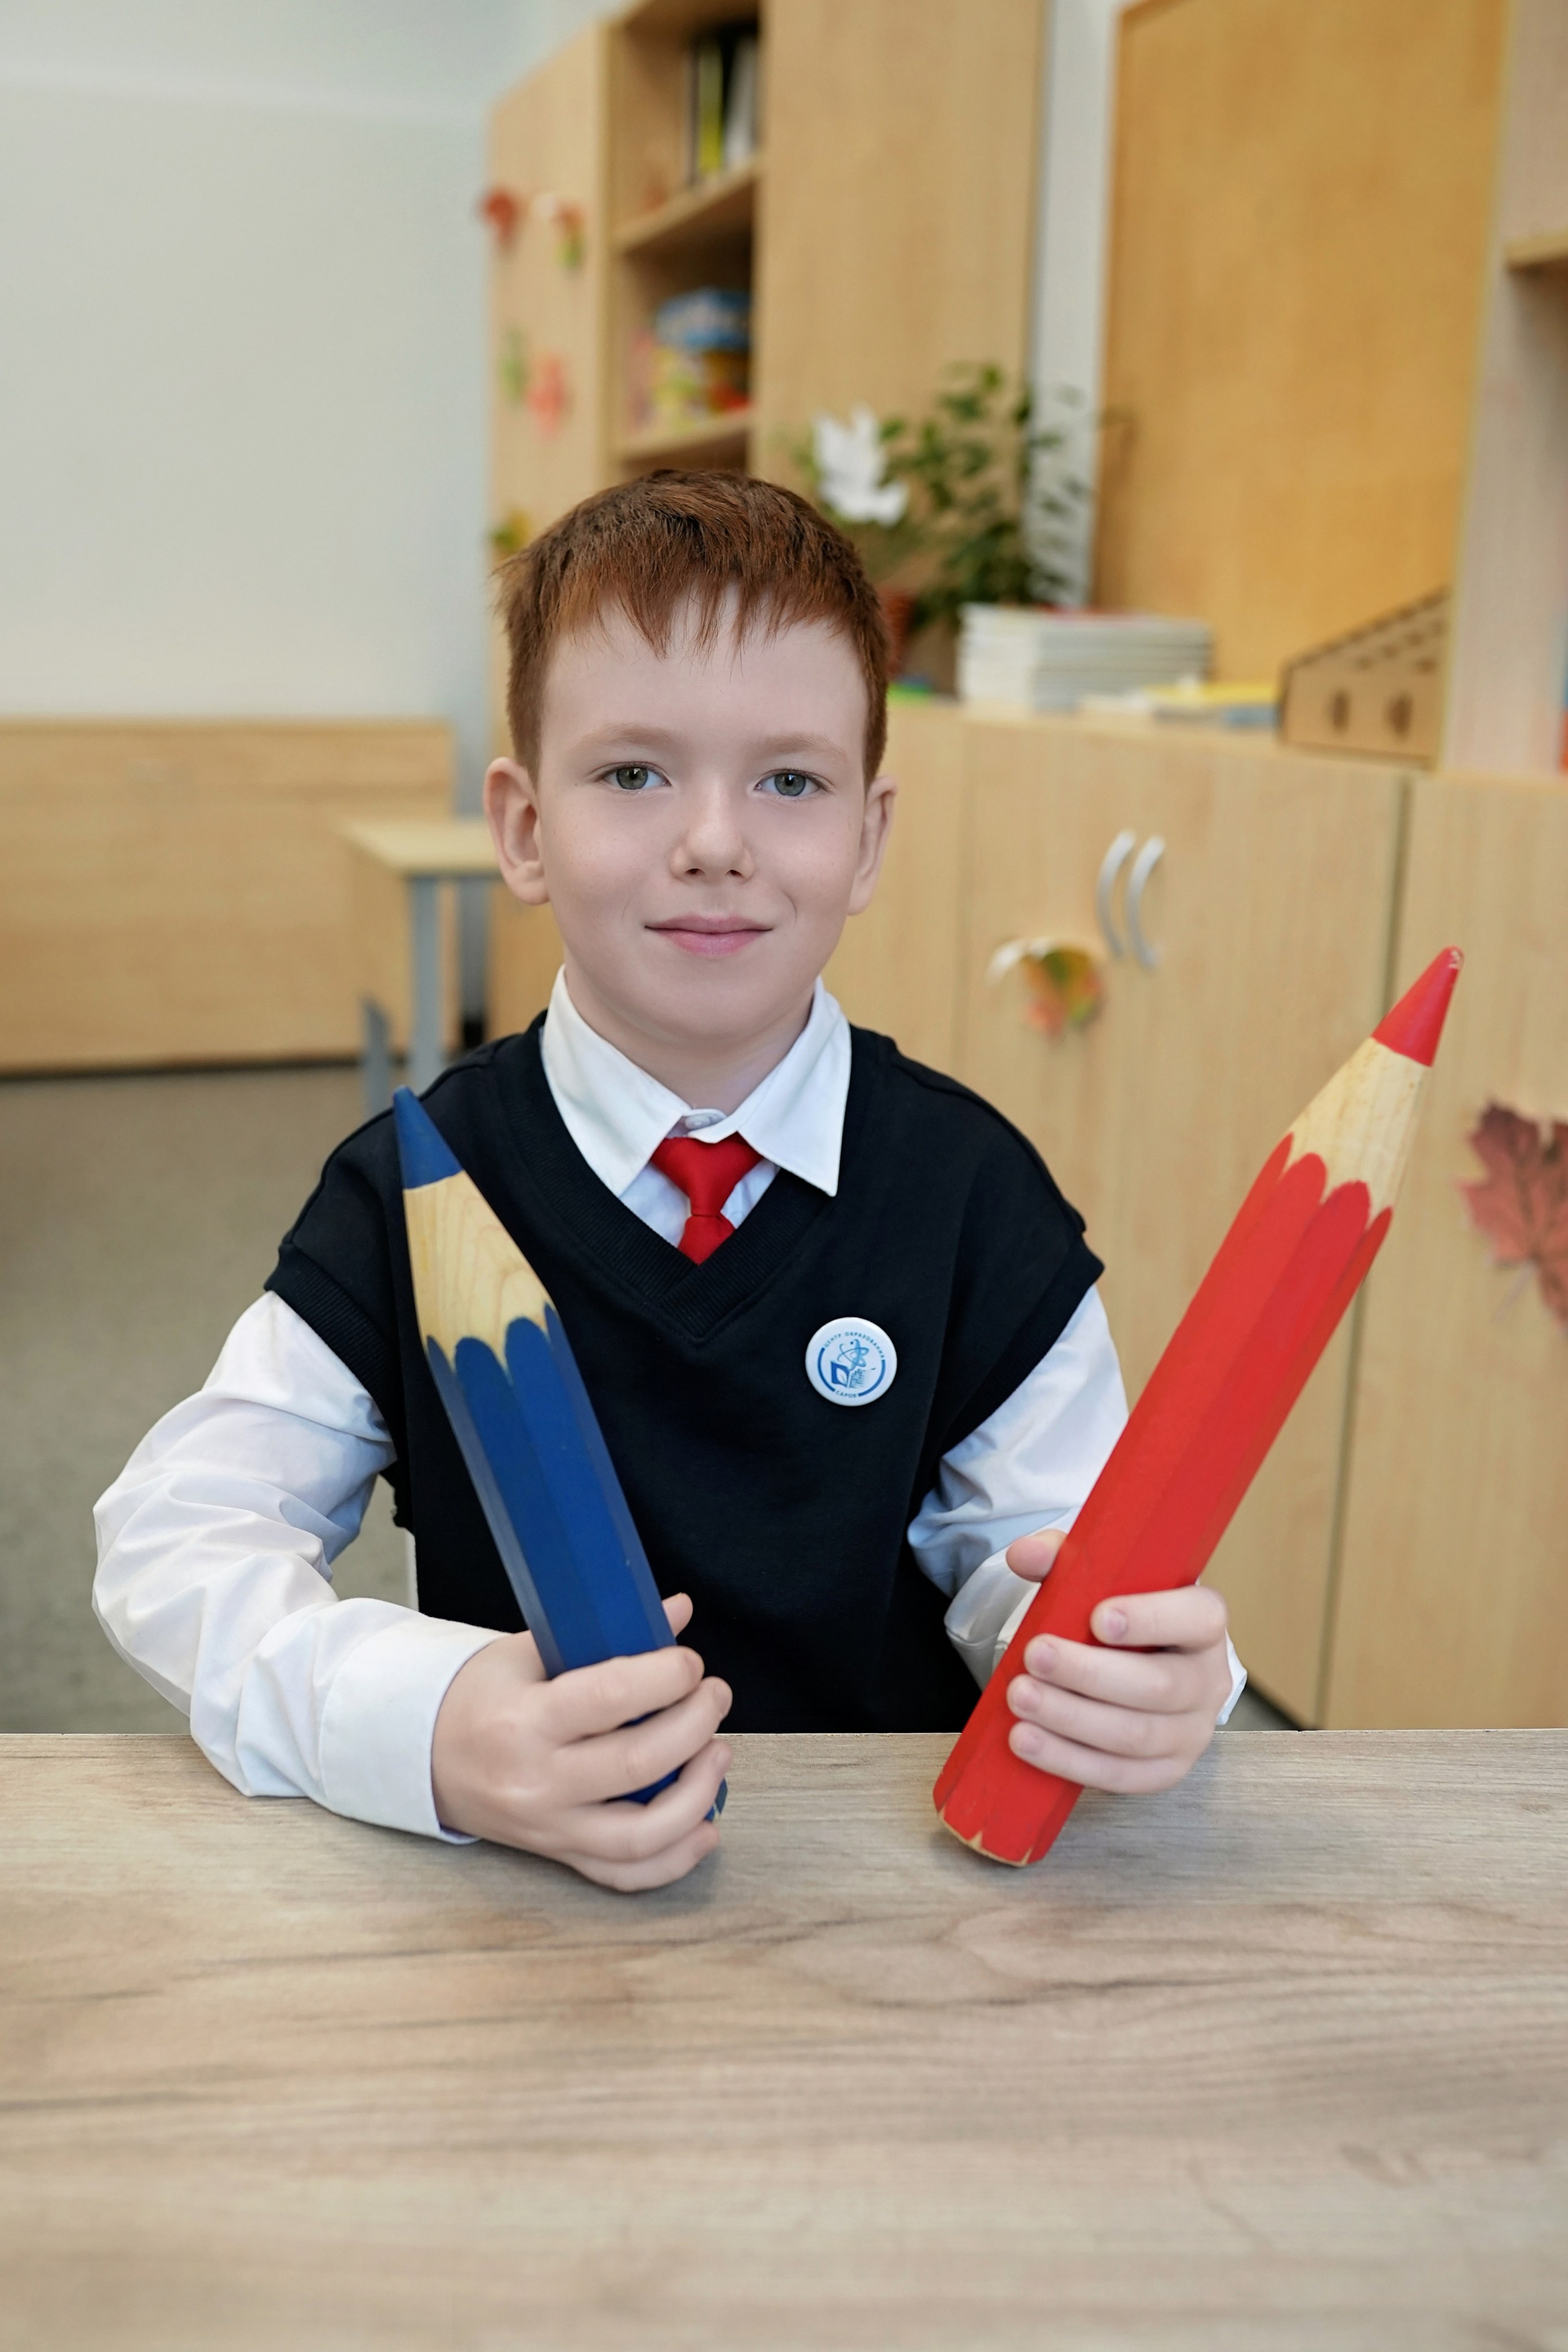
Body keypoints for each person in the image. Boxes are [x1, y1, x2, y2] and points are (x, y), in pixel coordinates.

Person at [94, 474, 1242, 1891]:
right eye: (635, 774)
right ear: (524, 828)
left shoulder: (971, 1191)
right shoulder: (415, 1189)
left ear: (869, 838)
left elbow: (1043, 1559)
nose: (715, 842)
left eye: (790, 781)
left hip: (896, 1900)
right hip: (525, 1903)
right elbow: (177, 1536)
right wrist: (425, 1725)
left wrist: (1119, 1673)